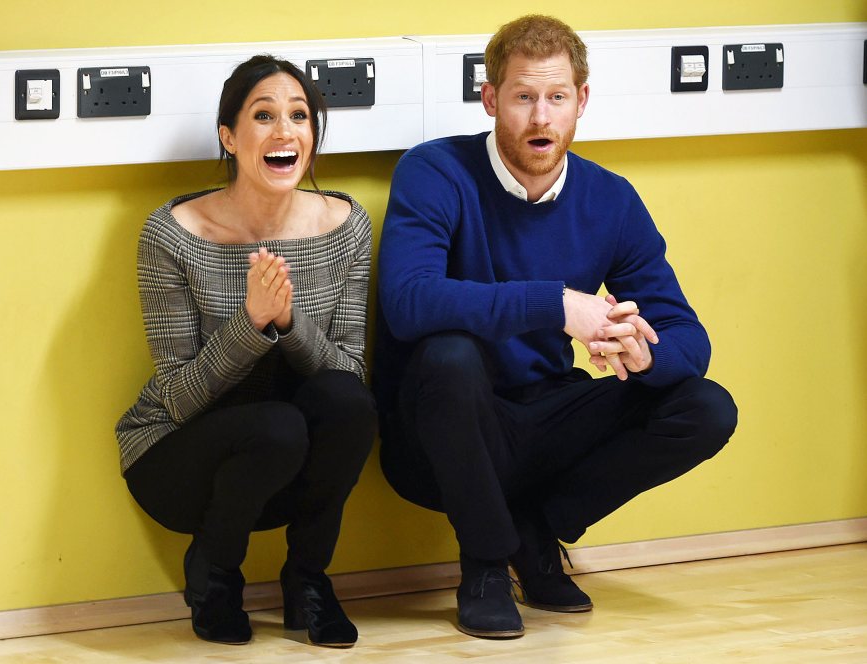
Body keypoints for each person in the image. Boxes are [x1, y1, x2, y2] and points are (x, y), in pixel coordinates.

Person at [374, 15, 738, 639]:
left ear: (581, 102)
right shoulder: (434, 172)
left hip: (545, 418)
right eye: (522, 97)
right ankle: (486, 564)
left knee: (705, 407)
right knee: (450, 356)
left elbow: (687, 336)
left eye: (556, 97)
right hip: (439, 434)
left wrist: (644, 353)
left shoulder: (610, 199)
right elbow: (408, 301)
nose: (540, 117)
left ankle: (535, 530)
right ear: (490, 99)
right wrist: (558, 305)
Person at [115, 55, 376, 648]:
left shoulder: (346, 226)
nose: (285, 131)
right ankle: (214, 577)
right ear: (230, 137)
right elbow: (179, 398)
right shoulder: (173, 234)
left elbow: (351, 376)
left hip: (289, 458)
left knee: (348, 403)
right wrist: (252, 322)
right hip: (178, 458)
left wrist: (287, 320)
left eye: (299, 116)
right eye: (264, 115)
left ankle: (307, 581)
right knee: (278, 425)